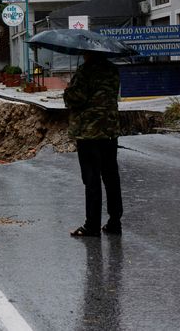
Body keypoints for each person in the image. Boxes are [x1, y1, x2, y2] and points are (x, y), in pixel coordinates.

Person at [63, 51, 123, 237]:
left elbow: (76, 98)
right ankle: (115, 222)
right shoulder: (113, 70)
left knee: (92, 179)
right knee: (111, 177)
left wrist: (68, 90)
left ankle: (92, 225)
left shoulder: (85, 71)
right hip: (109, 131)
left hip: (89, 132)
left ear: (88, 53)